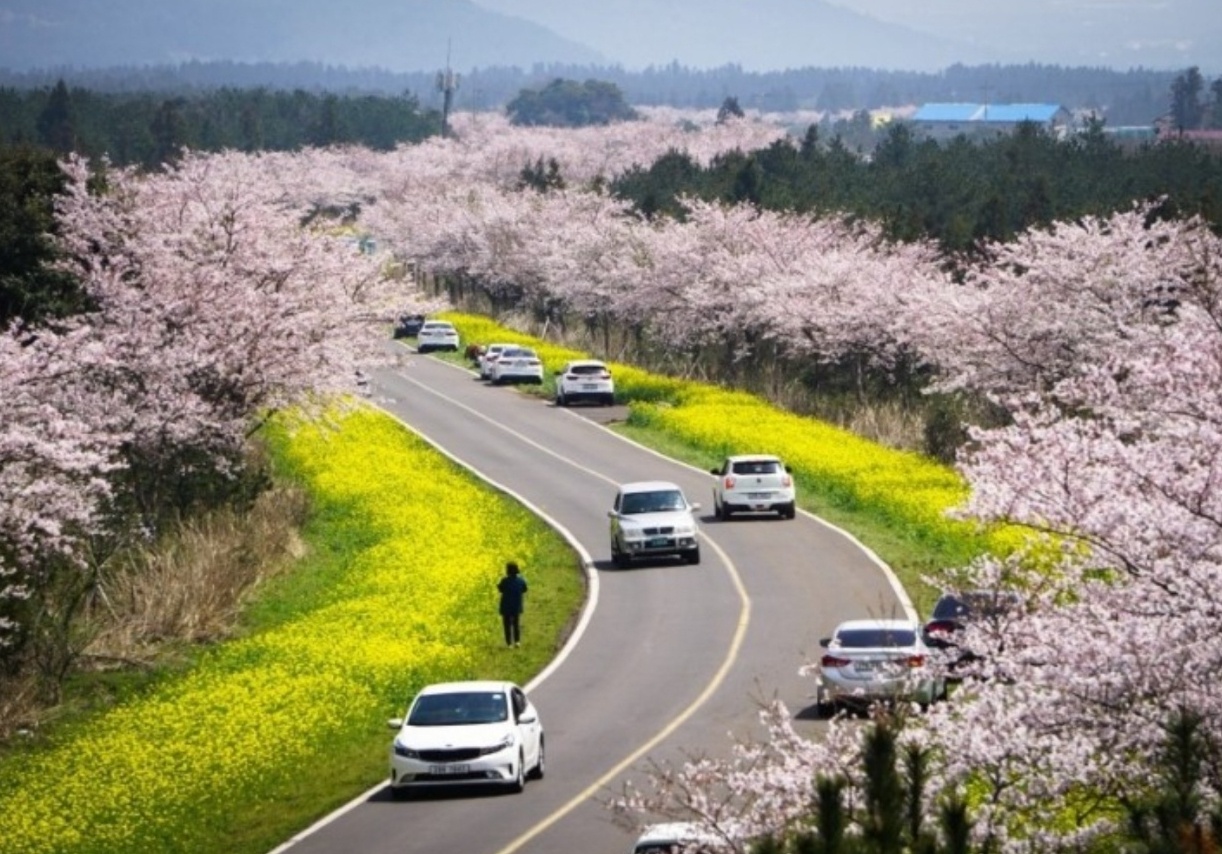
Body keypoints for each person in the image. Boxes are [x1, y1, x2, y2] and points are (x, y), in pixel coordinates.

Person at [497, 561, 528, 647]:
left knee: (506, 625)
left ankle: (509, 643)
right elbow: (525, 589)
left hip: (506, 606)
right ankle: (517, 642)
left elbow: (500, 589)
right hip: (516, 606)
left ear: (507, 571)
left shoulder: (504, 581)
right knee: (516, 624)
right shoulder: (521, 580)